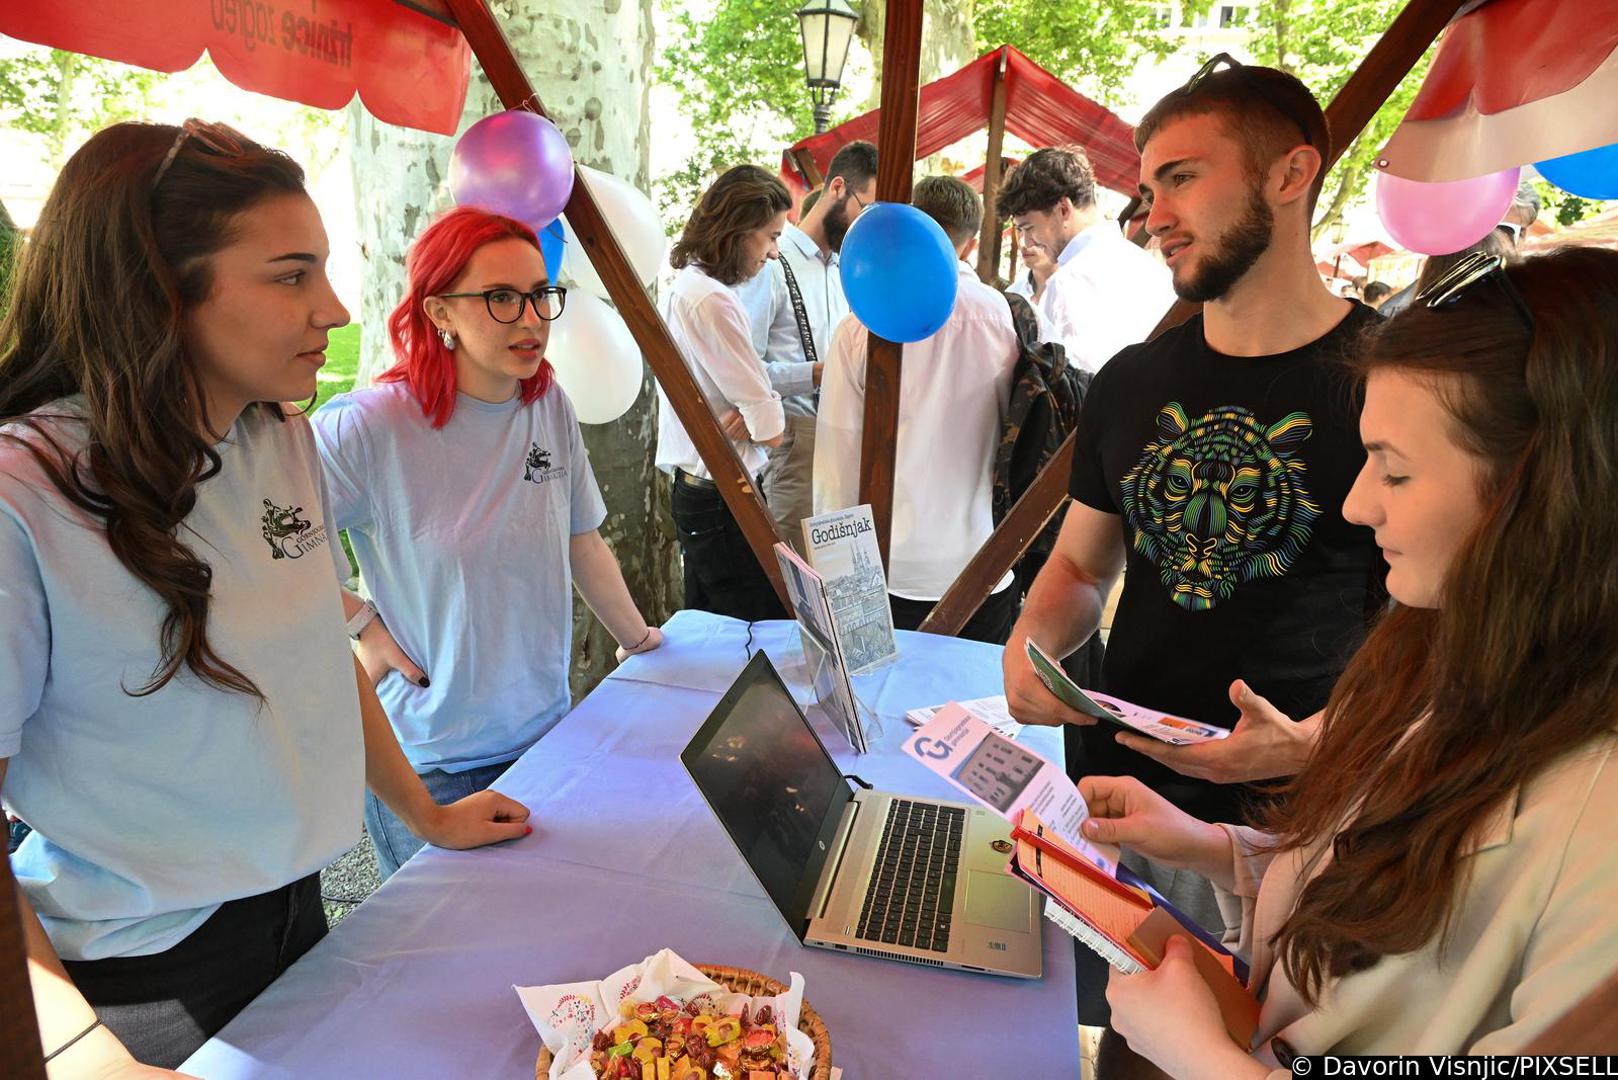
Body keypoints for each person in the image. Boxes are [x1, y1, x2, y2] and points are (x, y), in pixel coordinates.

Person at [0, 120, 529, 1073]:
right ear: (158, 291)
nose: (331, 309)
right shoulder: (22, 494)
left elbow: (318, 656)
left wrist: (427, 813)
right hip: (131, 975)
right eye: (290, 275)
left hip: (296, 907)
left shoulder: (277, 438)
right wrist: (73, 1039)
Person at [1088, 246, 1618, 1073]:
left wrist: (1200, 1057)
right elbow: (1392, 900)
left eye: (1396, 473)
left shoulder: (1598, 820)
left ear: (1547, 497)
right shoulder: (1460, 659)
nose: (1356, 503)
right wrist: (1218, 848)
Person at [999, 57, 1384, 1024]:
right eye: (1145, 186)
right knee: (1121, 1041)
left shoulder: (1393, 384)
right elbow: (1086, 563)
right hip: (1122, 799)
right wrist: (1034, 639)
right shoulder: (1132, 380)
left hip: (1303, 829)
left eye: (1181, 178)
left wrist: (1314, 749)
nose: (1151, 213)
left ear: (1290, 176)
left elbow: (1453, 641)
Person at [311, 206, 663, 880]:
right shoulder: (366, 428)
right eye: (501, 298)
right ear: (439, 310)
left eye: (539, 294)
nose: (531, 319)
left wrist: (641, 642)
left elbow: (581, 539)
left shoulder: (547, 404)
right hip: (435, 761)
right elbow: (266, 557)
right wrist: (361, 620)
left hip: (547, 738)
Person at [814, 176, 1022, 643]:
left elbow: (837, 457)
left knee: (883, 711)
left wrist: (839, 584)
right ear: (968, 245)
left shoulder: (860, 326)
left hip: (889, 566)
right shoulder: (1003, 316)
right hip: (982, 557)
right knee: (971, 712)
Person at [656, 164, 790, 621]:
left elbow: (756, 415)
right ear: (737, 230)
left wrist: (752, 411)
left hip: (706, 487)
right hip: (721, 494)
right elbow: (770, 428)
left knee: (712, 632)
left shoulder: (691, 288)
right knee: (758, 634)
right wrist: (756, 412)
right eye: (770, 237)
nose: (773, 253)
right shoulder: (710, 299)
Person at [731, 141, 878, 550]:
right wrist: (815, 373)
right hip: (794, 442)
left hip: (841, 442)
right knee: (796, 578)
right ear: (837, 189)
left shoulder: (844, 270)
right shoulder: (772, 262)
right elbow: (746, 371)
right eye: (865, 210)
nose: (868, 227)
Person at [996, 145, 1175, 373]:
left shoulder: (1069, 282)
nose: (1028, 241)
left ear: (1063, 209)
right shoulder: (1151, 268)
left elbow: (1078, 392)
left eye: (1029, 227)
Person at [1005, 225, 1058, 307]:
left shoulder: (1079, 290)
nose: (1023, 243)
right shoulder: (1012, 297)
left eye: (1033, 228)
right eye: (1019, 229)